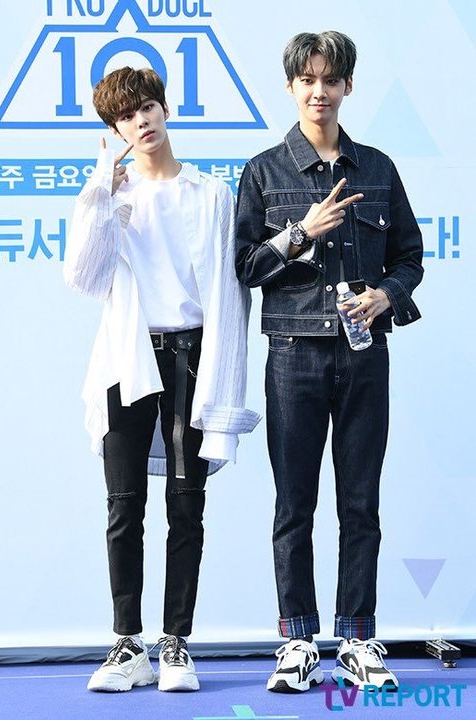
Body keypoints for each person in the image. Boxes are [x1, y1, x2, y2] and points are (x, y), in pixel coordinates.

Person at [235, 31, 423, 693]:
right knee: (294, 505)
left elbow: (410, 257)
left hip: (365, 356)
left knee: (361, 503)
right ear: (291, 87)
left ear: (348, 86)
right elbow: (244, 267)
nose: (319, 91)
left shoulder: (377, 169)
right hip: (293, 357)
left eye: (330, 80)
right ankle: (297, 641)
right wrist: (299, 233)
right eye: (308, 80)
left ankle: (358, 638)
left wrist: (387, 294)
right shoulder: (264, 172)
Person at [64, 66, 260, 693]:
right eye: (125, 117)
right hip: (127, 359)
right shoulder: (110, 196)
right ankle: (127, 643)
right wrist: (101, 192)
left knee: (186, 505)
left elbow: (230, 293)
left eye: (147, 107)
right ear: (114, 130)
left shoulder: (211, 194)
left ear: (165, 109)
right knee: (123, 506)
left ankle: (176, 641)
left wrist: (225, 382)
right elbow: (83, 276)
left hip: (191, 357)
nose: (140, 122)